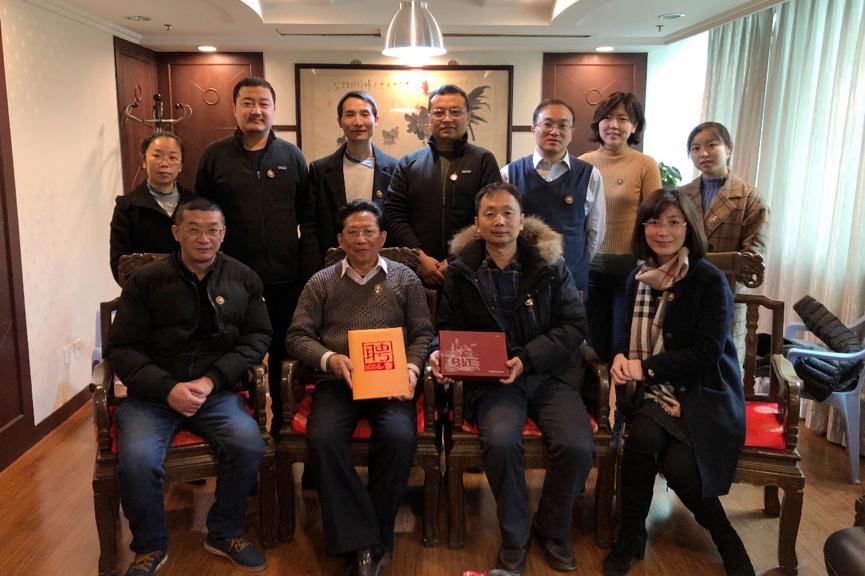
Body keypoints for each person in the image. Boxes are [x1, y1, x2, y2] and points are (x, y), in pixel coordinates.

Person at [430, 183, 596, 575]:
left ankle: (552, 530)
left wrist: (527, 358)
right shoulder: (462, 271)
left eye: (508, 212)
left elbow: (573, 325)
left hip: (550, 375)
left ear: (522, 221)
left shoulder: (550, 265)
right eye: (490, 213)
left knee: (576, 446)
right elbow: (448, 329)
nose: (499, 221)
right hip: (492, 382)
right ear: (477, 223)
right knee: (502, 442)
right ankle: (515, 536)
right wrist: (441, 352)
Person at [105, 198, 272, 576]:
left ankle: (225, 531)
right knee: (138, 460)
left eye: (213, 230)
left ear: (224, 234)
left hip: (214, 391)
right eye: (194, 229)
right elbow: (121, 348)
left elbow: (258, 336)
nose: (204, 238)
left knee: (249, 445)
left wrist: (211, 380)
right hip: (152, 396)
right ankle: (149, 546)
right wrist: (167, 388)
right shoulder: (146, 281)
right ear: (176, 232)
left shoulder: (243, 278)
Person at [603, 189, 753, 576]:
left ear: (689, 228)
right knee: (643, 436)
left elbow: (707, 352)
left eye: (673, 222)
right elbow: (624, 334)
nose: (663, 231)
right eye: (653, 222)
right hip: (651, 393)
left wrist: (645, 369)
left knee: (680, 467)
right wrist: (619, 356)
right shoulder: (637, 277)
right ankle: (630, 535)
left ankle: (727, 540)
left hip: (702, 391)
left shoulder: (708, 280)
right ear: (643, 228)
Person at [285, 199, 433, 576]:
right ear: (340, 239)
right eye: (353, 232)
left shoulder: (405, 278)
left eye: (369, 231)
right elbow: (297, 336)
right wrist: (329, 359)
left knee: (399, 436)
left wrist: (412, 369)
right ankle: (368, 541)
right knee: (323, 439)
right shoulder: (321, 282)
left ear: (382, 237)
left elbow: (423, 333)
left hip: (390, 380)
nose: (361, 239)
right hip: (338, 381)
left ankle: (365, 540)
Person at [196, 76, 318, 435]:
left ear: (274, 109)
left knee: (284, 354)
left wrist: (307, 271)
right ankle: (238, 430)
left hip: (285, 280)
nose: (256, 110)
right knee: (232, 353)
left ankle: (282, 427)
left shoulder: (291, 156)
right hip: (230, 280)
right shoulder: (214, 156)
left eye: (264, 103)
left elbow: (309, 219)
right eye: (247, 103)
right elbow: (201, 218)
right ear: (234, 108)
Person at [385, 84, 502, 287]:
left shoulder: (483, 160)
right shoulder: (408, 163)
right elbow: (394, 214)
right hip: (415, 273)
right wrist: (418, 257)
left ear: (468, 116)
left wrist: (457, 258)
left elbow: (492, 214)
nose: (447, 118)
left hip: (470, 271)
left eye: (455, 112)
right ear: (429, 118)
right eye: (439, 112)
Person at [579, 92, 661, 362]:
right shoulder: (584, 163)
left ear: (634, 126)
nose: (614, 125)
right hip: (590, 272)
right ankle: (598, 392)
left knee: (622, 346)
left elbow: (654, 216)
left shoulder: (645, 164)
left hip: (629, 273)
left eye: (623, 119)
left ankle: (623, 391)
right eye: (607, 118)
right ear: (598, 123)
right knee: (593, 347)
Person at [679, 121, 769, 356]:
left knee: (725, 361)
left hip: (727, 296)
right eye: (695, 148)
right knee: (685, 360)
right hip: (684, 294)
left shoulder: (750, 198)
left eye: (712, 145)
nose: (703, 153)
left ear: (728, 148)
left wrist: (695, 260)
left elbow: (752, 262)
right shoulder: (680, 195)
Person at [502, 98, 605, 294]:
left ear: (572, 133)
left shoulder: (590, 175)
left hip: (572, 281)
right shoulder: (509, 174)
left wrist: (578, 261)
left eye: (563, 125)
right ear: (533, 129)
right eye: (547, 124)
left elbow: (595, 233)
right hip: (522, 279)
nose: (554, 131)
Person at [309, 90, 398, 255]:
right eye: (350, 115)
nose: (358, 122)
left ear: (376, 120)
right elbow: (310, 227)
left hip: (383, 262)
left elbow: (398, 221)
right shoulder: (319, 170)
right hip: (333, 263)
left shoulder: (395, 169)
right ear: (339, 121)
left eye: (365, 114)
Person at [109, 132, 193, 283]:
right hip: (146, 290)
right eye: (157, 156)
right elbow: (120, 263)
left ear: (181, 165)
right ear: (143, 161)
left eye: (173, 157)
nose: (164, 163)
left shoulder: (195, 204)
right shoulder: (127, 207)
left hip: (191, 288)